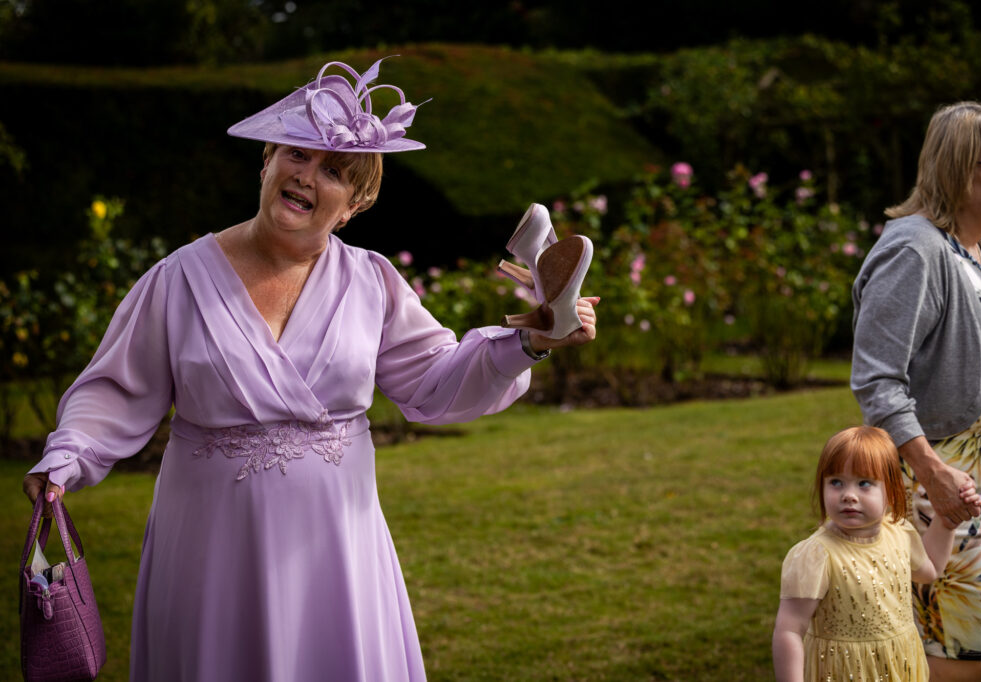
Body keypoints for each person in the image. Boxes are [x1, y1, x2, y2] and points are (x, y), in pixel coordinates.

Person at [21, 59, 599, 681]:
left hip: (337, 552)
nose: (306, 176)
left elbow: (435, 382)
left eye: (333, 171)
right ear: (266, 160)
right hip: (209, 551)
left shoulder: (371, 282)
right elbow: (115, 389)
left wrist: (528, 344)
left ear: (353, 204)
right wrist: (68, 457)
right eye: (296, 154)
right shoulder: (178, 279)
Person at [851, 101, 981, 680]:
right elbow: (877, 378)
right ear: (959, 168)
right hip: (949, 493)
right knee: (964, 661)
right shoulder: (915, 249)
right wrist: (930, 473)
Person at [772, 426, 977, 682]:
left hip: (899, 667)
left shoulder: (899, 533)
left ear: (890, 491)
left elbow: (931, 569)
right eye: (836, 482)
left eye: (864, 483)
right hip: (841, 671)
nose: (849, 495)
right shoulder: (816, 555)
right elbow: (790, 630)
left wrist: (946, 522)